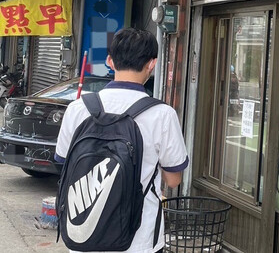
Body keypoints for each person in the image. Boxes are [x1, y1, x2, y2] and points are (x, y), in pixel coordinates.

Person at [55, 28, 189, 253]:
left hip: (83, 236)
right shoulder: (162, 114)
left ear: (110, 61)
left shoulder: (78, 108)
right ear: (152, 64)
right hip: (139, 240)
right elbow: (173, 180)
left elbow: (63, 163)